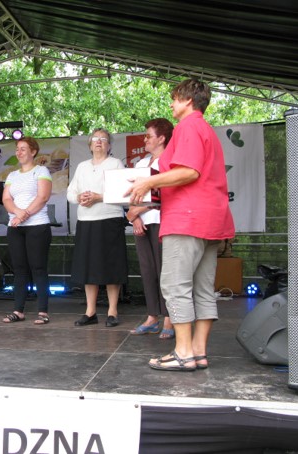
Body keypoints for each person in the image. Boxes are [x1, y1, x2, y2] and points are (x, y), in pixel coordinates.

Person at [125, 79, 235, 371]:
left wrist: (147, 181)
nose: (171, 103)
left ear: (187, 100)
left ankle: (183, 352)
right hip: (210, 220)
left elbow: (188, 172)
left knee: (175, 285)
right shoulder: (206, 129)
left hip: (187, 219)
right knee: (202, 289)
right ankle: (198, 352)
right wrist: (150, 192)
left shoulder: (188, 127)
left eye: (174, 98)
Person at [67, 128, 128, 328]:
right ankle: (90, 311)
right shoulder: (82, 166)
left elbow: (123, 191)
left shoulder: (115, 163)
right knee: (88, 267)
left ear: (109, 145)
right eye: (95, 138)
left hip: (109, 219)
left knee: (111, 266)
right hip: (86, 220)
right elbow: (70, 192)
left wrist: (99, 197)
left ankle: (112, 311)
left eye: (103, 139)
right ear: (90, 144)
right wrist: (79, 197)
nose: (99, 141)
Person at [127, 118, 175, 339]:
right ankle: (152, 316)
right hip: (142, 223)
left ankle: (169, 318)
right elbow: (129, 195)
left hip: (163, 221)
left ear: (161, 138)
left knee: (164, 271)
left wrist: (140, 209)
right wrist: (135, 218)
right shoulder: (141, 165)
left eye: (148, 136)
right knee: (147, 270)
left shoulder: (171, 161)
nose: (145, 139)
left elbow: (169, 194)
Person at [1, 137, 52, 325]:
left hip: (37, 226)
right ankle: (18, 310)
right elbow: (6, 199)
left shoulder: (41, 171)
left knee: (38, 268)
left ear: (33, 152)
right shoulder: (12, 175)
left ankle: (43, 311)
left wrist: (24, 214)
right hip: (15, 227)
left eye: (23, 149)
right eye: (17, 149)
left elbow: (43, 196)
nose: (19, 152)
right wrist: (17, 212)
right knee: (19, 269)